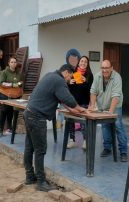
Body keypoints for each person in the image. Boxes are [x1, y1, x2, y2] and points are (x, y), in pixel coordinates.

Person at [23, 64, 87, 192]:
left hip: (28, 113)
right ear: (66, 73)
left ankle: (30, 177)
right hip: (37, 117)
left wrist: (74, 109)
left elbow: (62, 100)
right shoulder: (59, 80)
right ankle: (41, 181)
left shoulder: (50, 76)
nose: (70, 79)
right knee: (40, 149)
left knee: (30, 147)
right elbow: (68, 99)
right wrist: (81, 109)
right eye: (70, 76)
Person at [89, 60, 129, 162]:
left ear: (111, 68)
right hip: (103, 106)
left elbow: (116, 96)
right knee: (105, 126)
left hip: (115, 106)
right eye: (103, 68)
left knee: (118, 125)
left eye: (107, 68)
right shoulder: (97, 76)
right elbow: (93, 92)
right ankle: (107, 148)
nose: (104, 70)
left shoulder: (117, 77)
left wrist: (110, 112)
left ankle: (123, 151)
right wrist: (93, 106)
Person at [67, 56, 93, 149]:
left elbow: (91, 90)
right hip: (73, 102)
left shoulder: (89, 75)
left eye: (85, 62)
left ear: (87, 64)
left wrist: (86, 81)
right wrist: (69, 82)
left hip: (84, 103)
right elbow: (69, 88)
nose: (83, 63)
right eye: (82, 61)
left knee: (83, 123)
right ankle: (72, 140)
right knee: (71, 122)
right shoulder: (74, 73)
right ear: (79, 62)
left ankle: (85, 141)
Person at [0, 57, 23, 137]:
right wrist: (12, 85)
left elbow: (20, 83)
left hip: (15, 96)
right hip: (5, 95)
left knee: (11, 112)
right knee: (4, 112)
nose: (13, 63)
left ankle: (9, 129)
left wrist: (19, 84)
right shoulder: (4, 72)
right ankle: (0, 131)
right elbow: (1, 83)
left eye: (15, 62)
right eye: (12, 62)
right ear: (9, 63)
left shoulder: (18, 73)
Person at [57, 48, 81, 128]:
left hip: (74, 99)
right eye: (71, 59)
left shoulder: (78, 72)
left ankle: (73, 138)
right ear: (67, 59)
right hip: (64, 99)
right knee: (60, 118)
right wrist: (68, 82)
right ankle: (57, 134)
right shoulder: (66, 68)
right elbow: (60, 81)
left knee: (75, 121)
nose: (73, 62)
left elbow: (79, 87)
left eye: (75, 59)